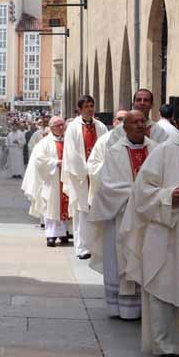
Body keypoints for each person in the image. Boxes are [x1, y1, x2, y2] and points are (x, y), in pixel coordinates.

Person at [121, 100, 179, 357]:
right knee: (163, 289)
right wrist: (169, 195)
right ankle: (166, 347)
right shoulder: (162, 153)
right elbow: (142, 191)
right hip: (167, 231)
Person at [87, 110, 157, 320]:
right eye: (135, 122)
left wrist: (149, 195)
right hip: (121, 216)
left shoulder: (156, 150)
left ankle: (146, 307)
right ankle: (122, 308)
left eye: (142, 121)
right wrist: (138, 193)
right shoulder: (115, 152)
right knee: (121, 258)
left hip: (149, 216)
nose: (140, 125)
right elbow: (107, 186)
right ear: (124, 127)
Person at [62, 95, 108, 259]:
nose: (90, 109)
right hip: (80, 177)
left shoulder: (101, 127)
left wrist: (98, 169)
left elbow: (106, 148)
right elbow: (71, 153)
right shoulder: (73, 128)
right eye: (87, 106)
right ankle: (81, 247)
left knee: (96, 210)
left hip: (97, 175)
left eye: (92, 105)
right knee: (82, 212)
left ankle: (96, 245)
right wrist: (87, 170)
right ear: (80, 109)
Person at [30, 116, 72, 247]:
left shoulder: (68, 141)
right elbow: (39, 160)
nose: (61, 128)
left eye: (62, 125)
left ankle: (64, 232)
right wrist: (55, 163)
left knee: (67, 204)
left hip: (66, 178)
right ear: (52, 127)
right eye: (58, 125)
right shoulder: (45, 142)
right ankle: (51, 235)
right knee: (51, 207)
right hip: (52, 179)